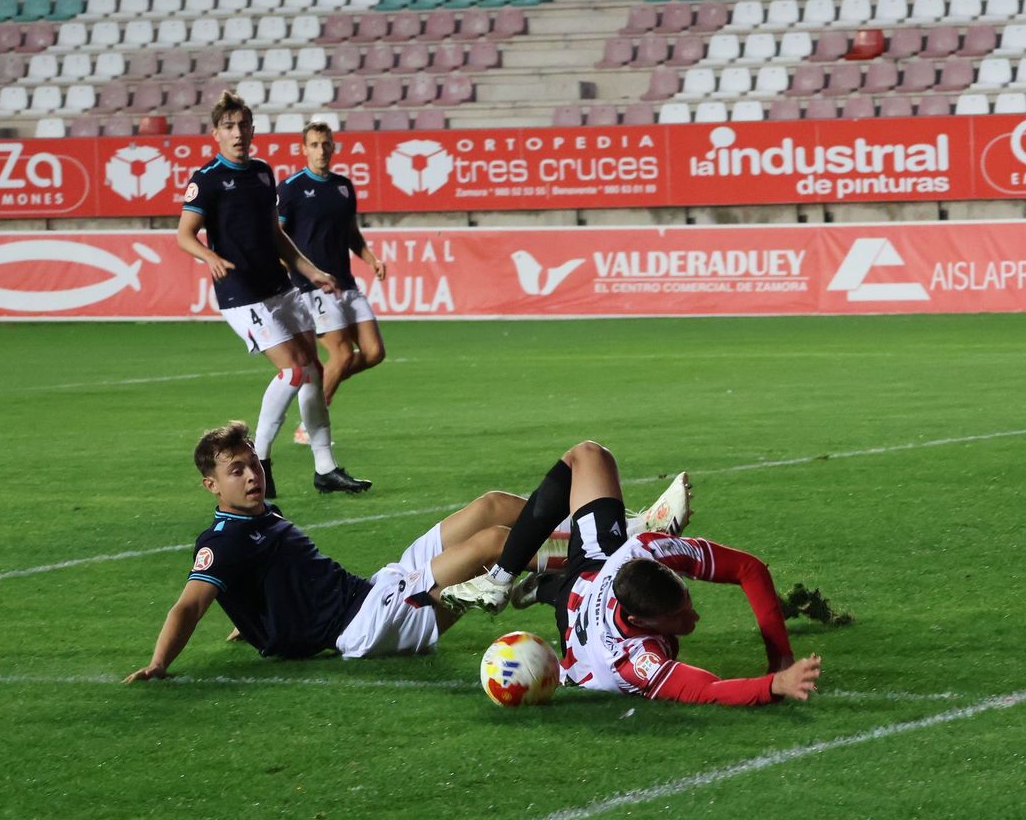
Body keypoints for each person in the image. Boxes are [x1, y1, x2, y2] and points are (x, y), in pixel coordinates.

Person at [123, 422, 691, 680]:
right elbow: (190, 605)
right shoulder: (221, 540)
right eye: (236, 470)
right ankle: (620, 559)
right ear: (211, 486)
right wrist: (157, 664)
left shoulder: (255, 518)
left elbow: (268, 585)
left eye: (252, 463)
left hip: (373, 588)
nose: (251, 475)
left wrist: (257, 624)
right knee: (494, 546)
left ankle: (623, 529)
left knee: (493, 506)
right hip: (365, 625)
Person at [442, 441, 822, 705]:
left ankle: (514, 580)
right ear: (641, 621)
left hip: (599, 568)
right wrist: (776, 684)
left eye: (687, 603)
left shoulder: (648, 550)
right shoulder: (632, 660)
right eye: (679, 617)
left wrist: (780, 655)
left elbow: (748, 568)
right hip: (579, 638)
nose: (695, 617)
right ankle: (546, 586)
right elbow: (709, 690)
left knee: (588, 455)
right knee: (567, 592)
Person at [176, 90, 367, 496]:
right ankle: (259, 459)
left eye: (244, 125)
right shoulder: (207, 180)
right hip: (241, 293)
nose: (238, 132)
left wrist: (312, 271)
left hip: (278, 286)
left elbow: (276, 235)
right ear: (216, 134)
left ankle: (325, 468)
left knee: (313, 370)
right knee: (293, 371)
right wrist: (209, 256)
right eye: (229, 127)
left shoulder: (263, 173)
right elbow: (184, 235)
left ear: (253, 129)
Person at [277, 123, 386, 445]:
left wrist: (371, 259)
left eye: (326, 144)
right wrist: (296, 272)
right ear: (303, 149)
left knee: (374, 352)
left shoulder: (343, 187)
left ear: (333, 147)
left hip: (346, 284)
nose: (321, 150)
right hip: (314, 288)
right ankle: (308, 426)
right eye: (314, 144)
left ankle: (317, 388)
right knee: (340, 355)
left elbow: (351, 234)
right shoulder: (291, 188)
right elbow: (277, 237)